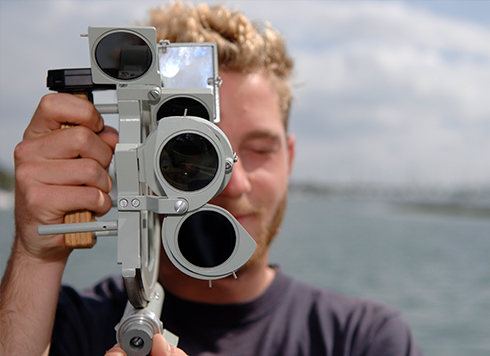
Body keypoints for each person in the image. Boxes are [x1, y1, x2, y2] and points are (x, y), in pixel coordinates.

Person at [0, 3, 423, 356]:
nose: (232, 183)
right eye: (193, 152)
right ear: (142, 157)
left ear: (289, 158)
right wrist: (35, 256)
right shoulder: (67, 327)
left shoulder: (363, 339)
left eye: (259, 149)